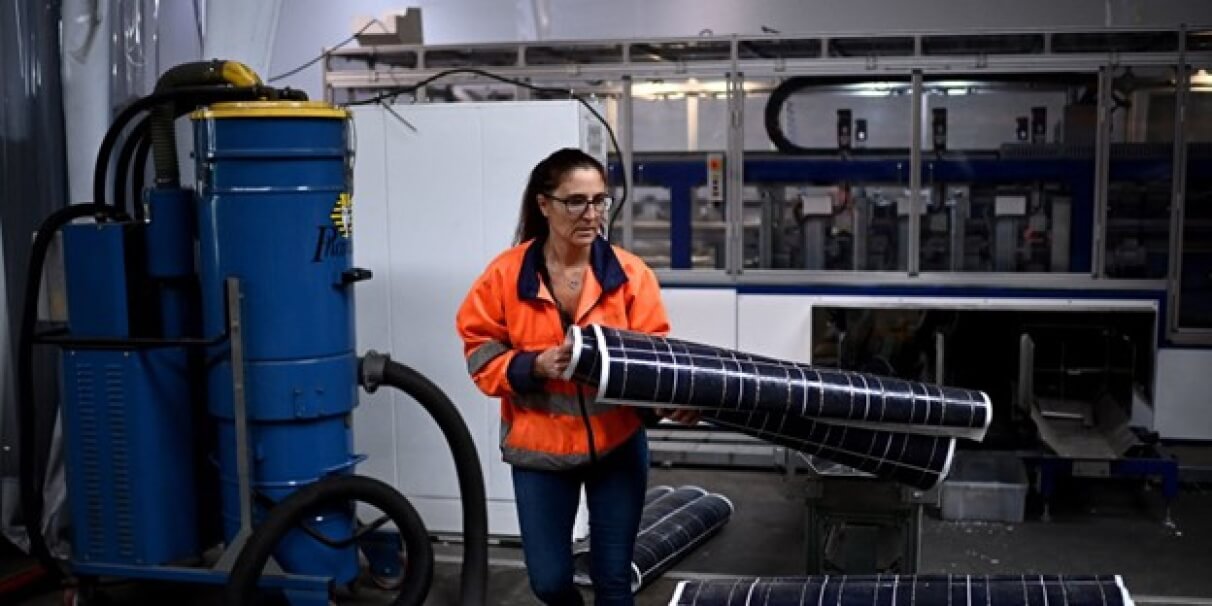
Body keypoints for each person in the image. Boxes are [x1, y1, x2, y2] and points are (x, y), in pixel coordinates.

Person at [456, 148, 695, 605]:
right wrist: (532, 366)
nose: (592, 214)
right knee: (548, 581)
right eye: (576, 201)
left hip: (616, 447)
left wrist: (671, 401)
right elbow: (480, 356)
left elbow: (655, 360)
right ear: (544, 205)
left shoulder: (629, 275)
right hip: (539, 452)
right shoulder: (505, 276)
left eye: (600, 200)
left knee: (612, 580)